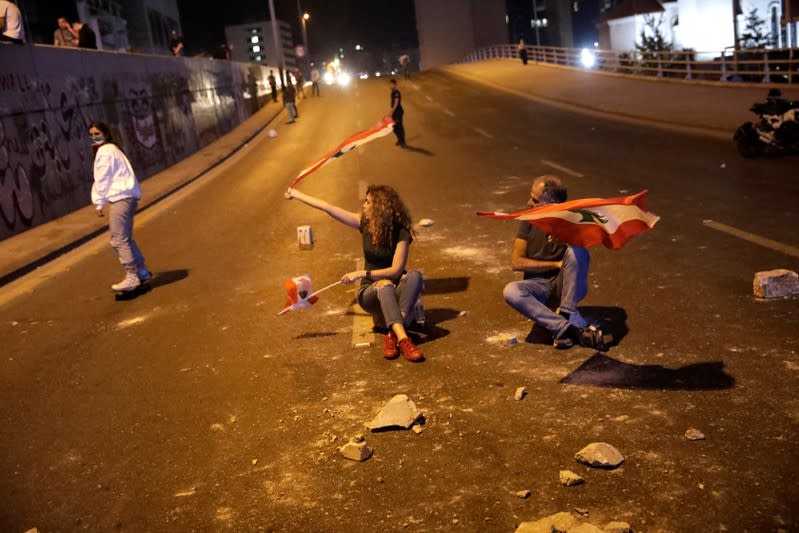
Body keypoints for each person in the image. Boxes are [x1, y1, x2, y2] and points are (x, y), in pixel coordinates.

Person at [284, 185, 424, 362]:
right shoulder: (364, 224)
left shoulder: (401, 232)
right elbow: (327, 207)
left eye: (367, 202)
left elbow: (396, 270)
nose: (363, 205)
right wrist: (296, 194)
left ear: (379, 207)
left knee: (415, 276)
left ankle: (393, 333)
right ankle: (404, 340)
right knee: (384, 284)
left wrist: (361, 273)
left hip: (393, 289)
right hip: (370, 294)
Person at [502, 175, 609, 351]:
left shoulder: (573, 221)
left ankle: (567, 312)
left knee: (577, 251)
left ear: (551, 203)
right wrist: (554, 265)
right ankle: (566, 328)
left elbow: (580, 259)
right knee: (511, 291)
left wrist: (567, 239)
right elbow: (517, 262)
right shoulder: (528, 220)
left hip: (568, 285)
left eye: (535, 200)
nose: (529, 202)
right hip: (538, 286)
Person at [88, 121, 151, 292]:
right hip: (128, 196)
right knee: (126, 238)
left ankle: (132, 276)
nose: (94, 137)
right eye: (92, 135)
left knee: (118, 240)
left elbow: (102, 178)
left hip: (120, 198)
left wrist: (98, 202)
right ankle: (142, 272)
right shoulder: (114, 149)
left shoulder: (105, 151)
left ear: (106, 133)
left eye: (97, 133)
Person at [390, 79, 406, 147]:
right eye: (390, 84)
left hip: (398, 112)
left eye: (392, 84)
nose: (390, 85)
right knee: (394, 127)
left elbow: (396, 104)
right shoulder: (392, 92)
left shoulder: (397, 93)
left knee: (399, 126)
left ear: (395, 84)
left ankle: (402, 140)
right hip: (395, 112)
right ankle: (400, 139)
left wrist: (391, 112)